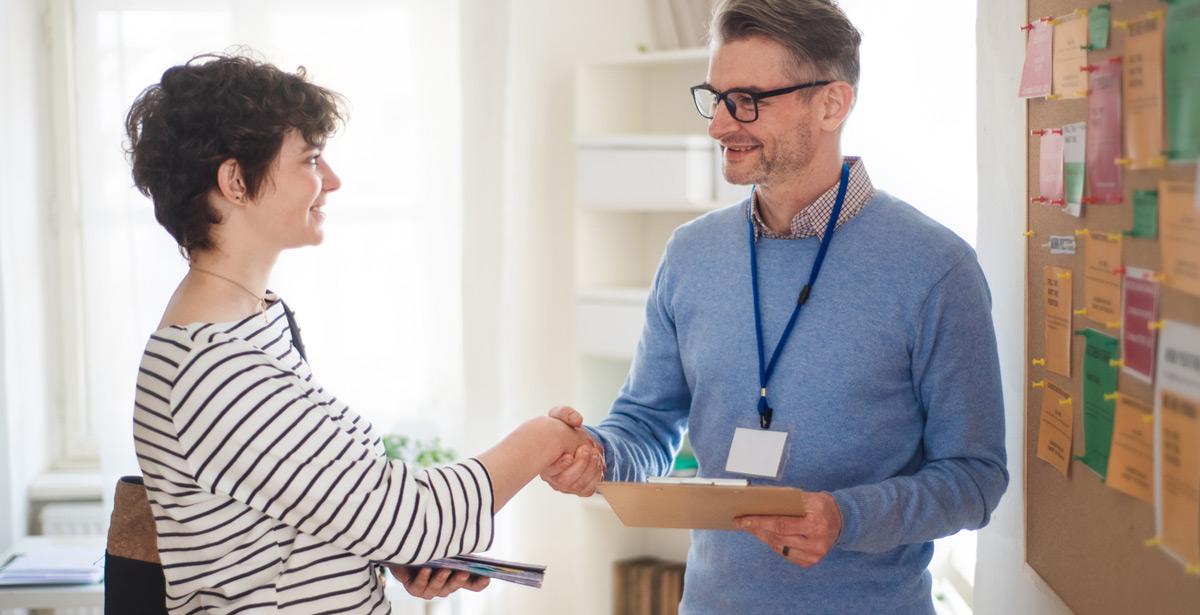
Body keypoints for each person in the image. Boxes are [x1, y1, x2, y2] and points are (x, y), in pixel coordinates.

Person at [541, 1, 1009, 612]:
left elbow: (974, 478)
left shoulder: (936, 268)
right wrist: (599, 455)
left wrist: (846, 516)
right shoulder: (690, 254)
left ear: (832, 104)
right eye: (715, 98)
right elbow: (647, 421)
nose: (718, 126)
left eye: (748, 101)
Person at [125, 53, 602, 613]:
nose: (331, 181)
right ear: (235, 181)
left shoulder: (256, 324)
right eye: (310, 160)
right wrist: (543, 438)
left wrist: (379, 546)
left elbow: (302, 510)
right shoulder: (212, 370)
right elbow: (416, 518)